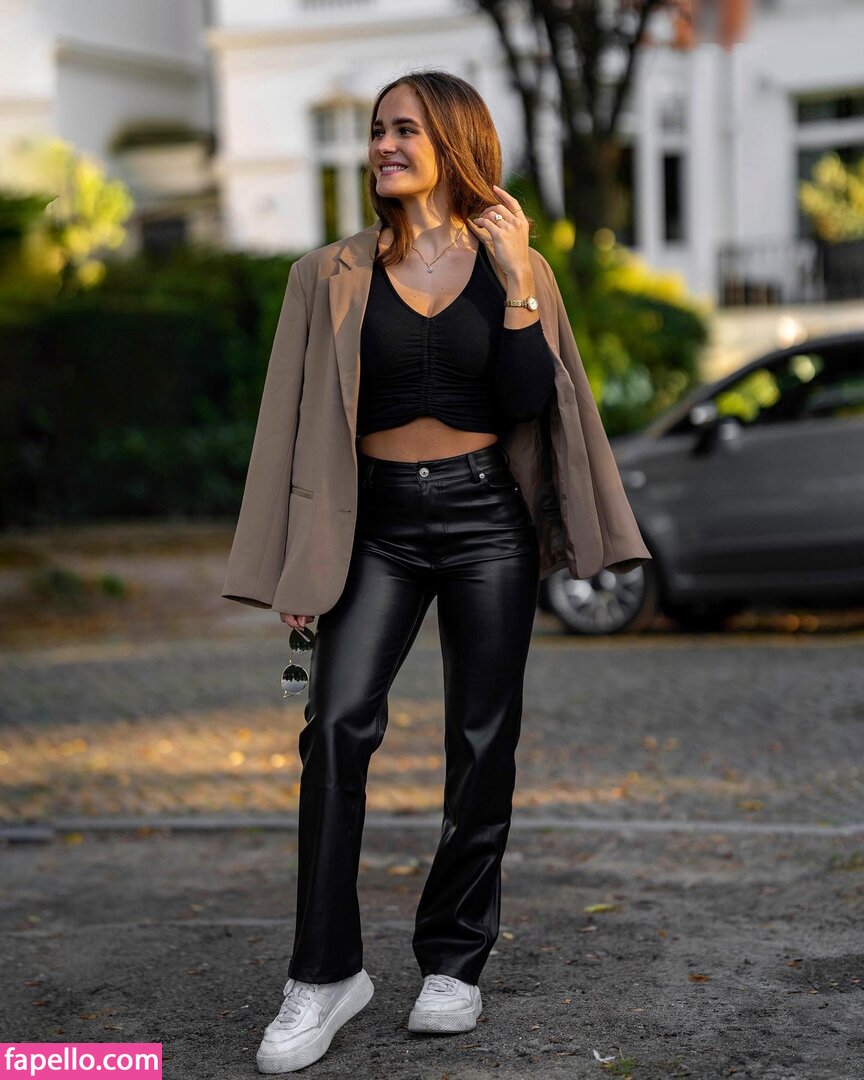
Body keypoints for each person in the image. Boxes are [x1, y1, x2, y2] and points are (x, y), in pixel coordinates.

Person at [222, 69, 651, 1075]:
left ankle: (454, 963)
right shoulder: (326, 274)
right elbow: (287, 422)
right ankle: (324, 974)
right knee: (335, 725)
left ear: (455, 142)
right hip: (372, 524)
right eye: (377, 130)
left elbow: (528, 401)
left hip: (485, 519)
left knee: (482, 739)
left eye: (404, 129)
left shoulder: (516, 264)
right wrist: (291, 555)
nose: (383, 144)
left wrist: (516, 280)